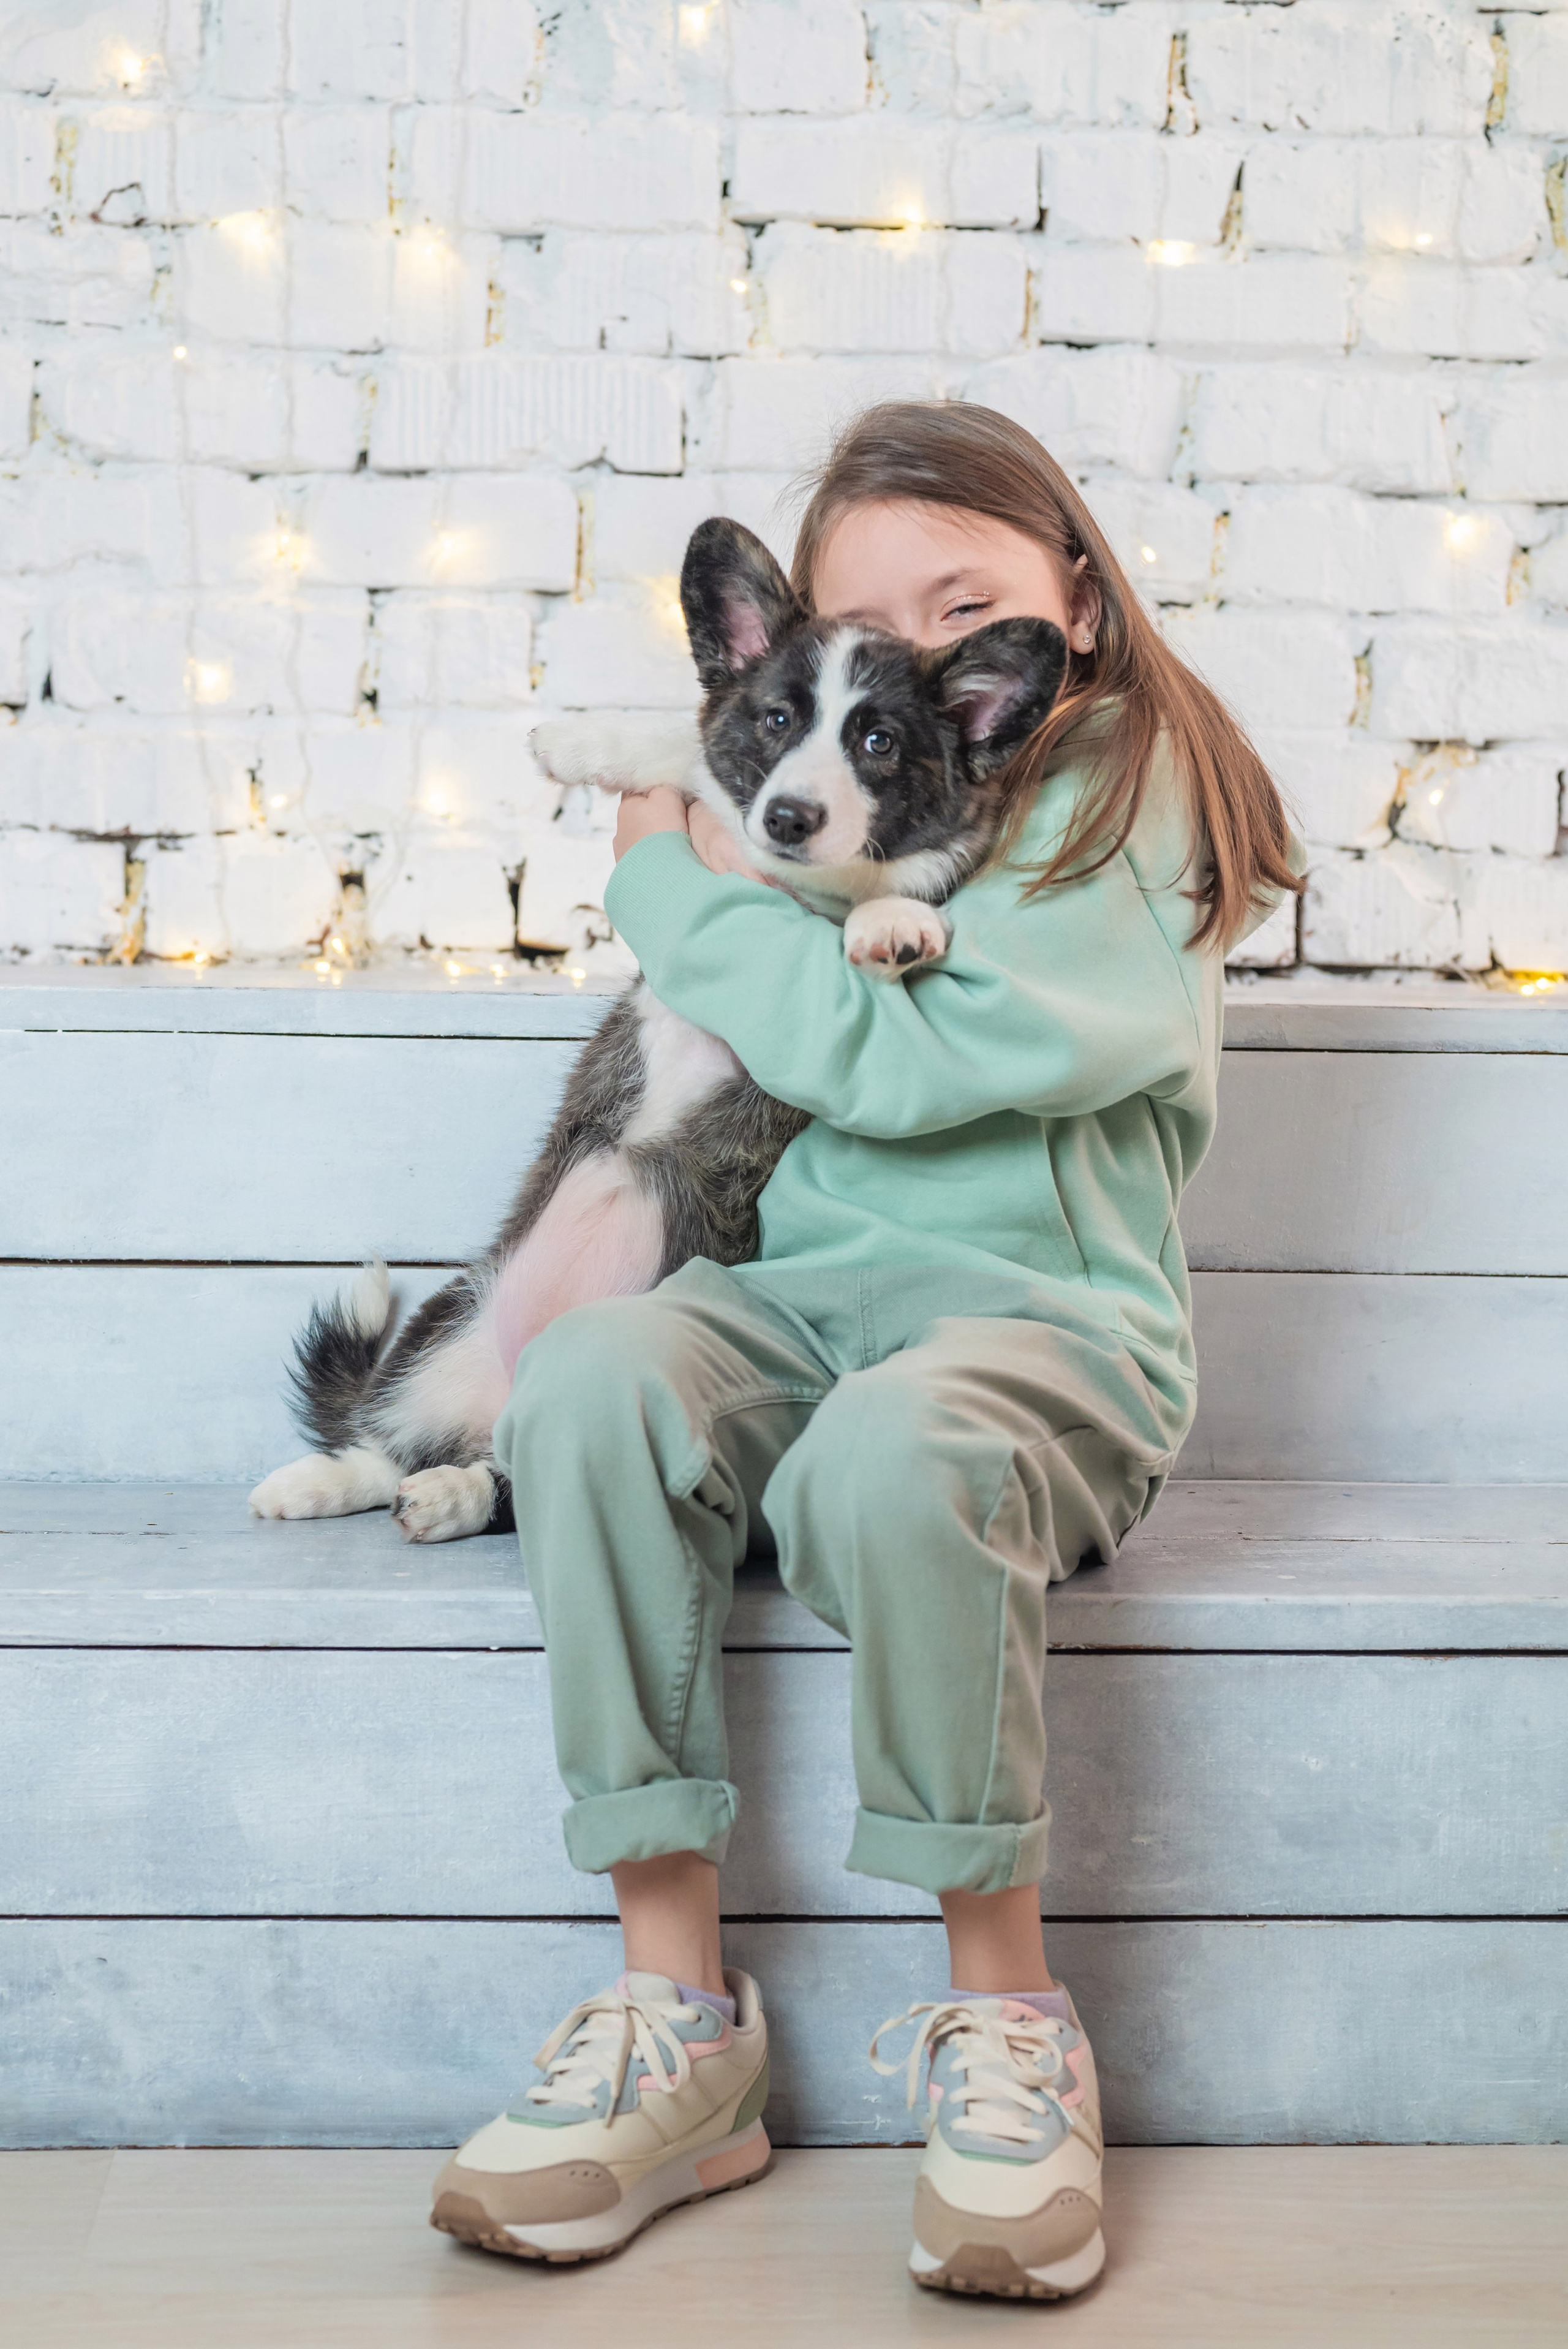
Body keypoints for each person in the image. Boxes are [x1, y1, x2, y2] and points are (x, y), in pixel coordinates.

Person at [430, 401, 1304, 2299]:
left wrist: (663, 868)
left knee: (892, 1453)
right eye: (870, 626)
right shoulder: (876, 800)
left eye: (963, 601)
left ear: (1068, 591)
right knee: (592, 1380)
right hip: (802, 1306)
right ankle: (678, 2017)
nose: (914, 654)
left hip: (1042, 1341)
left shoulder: (1124, 787)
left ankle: (1007, 2021)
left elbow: (888, 1059)